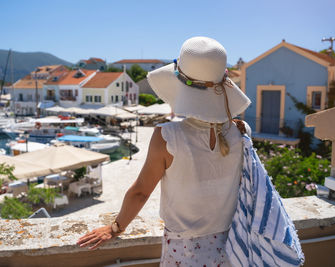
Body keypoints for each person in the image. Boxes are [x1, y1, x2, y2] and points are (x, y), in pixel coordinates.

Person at [77, 37, 251, 266]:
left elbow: (141, 192)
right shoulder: (241, 130)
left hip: (185, 252)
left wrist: (115, 228)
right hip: (232, 248)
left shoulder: (168, 136)